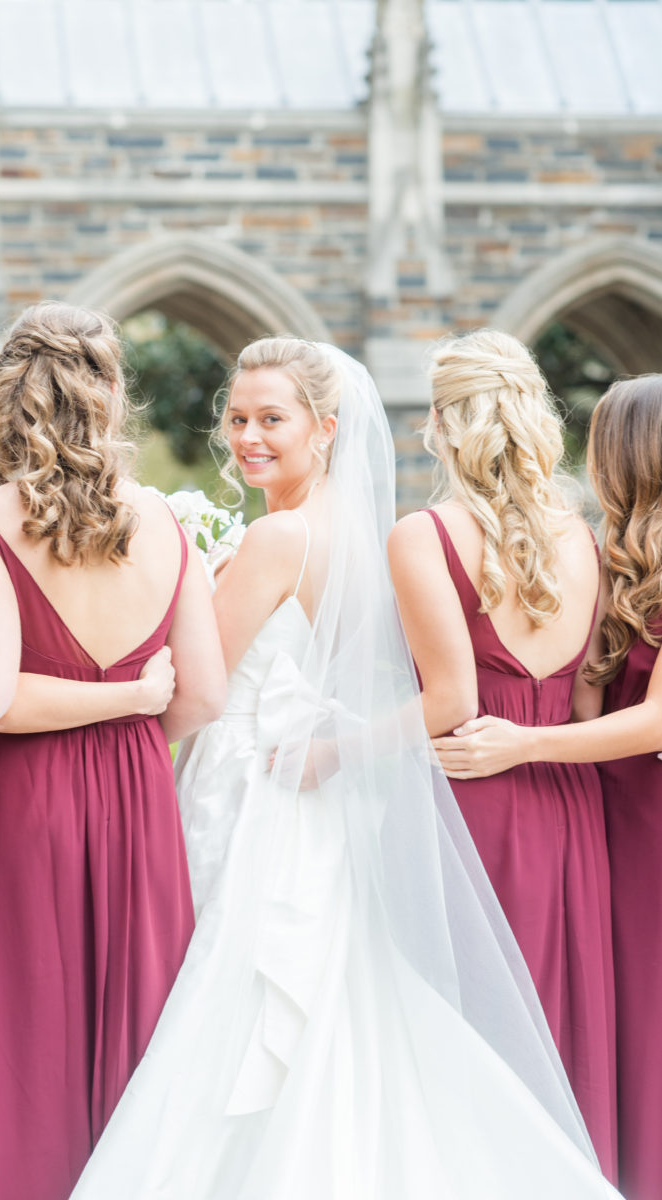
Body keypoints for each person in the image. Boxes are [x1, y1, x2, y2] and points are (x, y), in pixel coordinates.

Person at [70, 335, 618, 1199]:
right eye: (237, 416)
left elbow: (197, 686)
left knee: (230, 1003)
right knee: (344, 1010)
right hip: (325, 800)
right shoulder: (362, 536)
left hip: (251, 785)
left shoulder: (279, 536)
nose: (246, 435)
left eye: (271, 419)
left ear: (326, 429)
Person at [0, 302, 225, 1200]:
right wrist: (133, 719)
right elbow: (205, 694)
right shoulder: (170, 526)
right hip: (139, 789)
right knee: (136, 1023)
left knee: (21, 1027)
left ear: (9, 393)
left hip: (19, 799)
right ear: (110, 395)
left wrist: (103, 707)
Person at [387, 328, 617, 1179]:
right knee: (555, 1020)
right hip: (566, 804)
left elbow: (448, 702)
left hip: (467, 798)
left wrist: (332, 750)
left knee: (463, 1028)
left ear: (444, 424)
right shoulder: (585, 540)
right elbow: (584, 702)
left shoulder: (423, 536)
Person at [432, 373, 662, 1200]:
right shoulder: (609, 554)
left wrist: (523, 743)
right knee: (619, 1011)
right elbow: (585, 689)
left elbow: (655, 720)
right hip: (603, 803)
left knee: (642, 1007)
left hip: (641, 810)